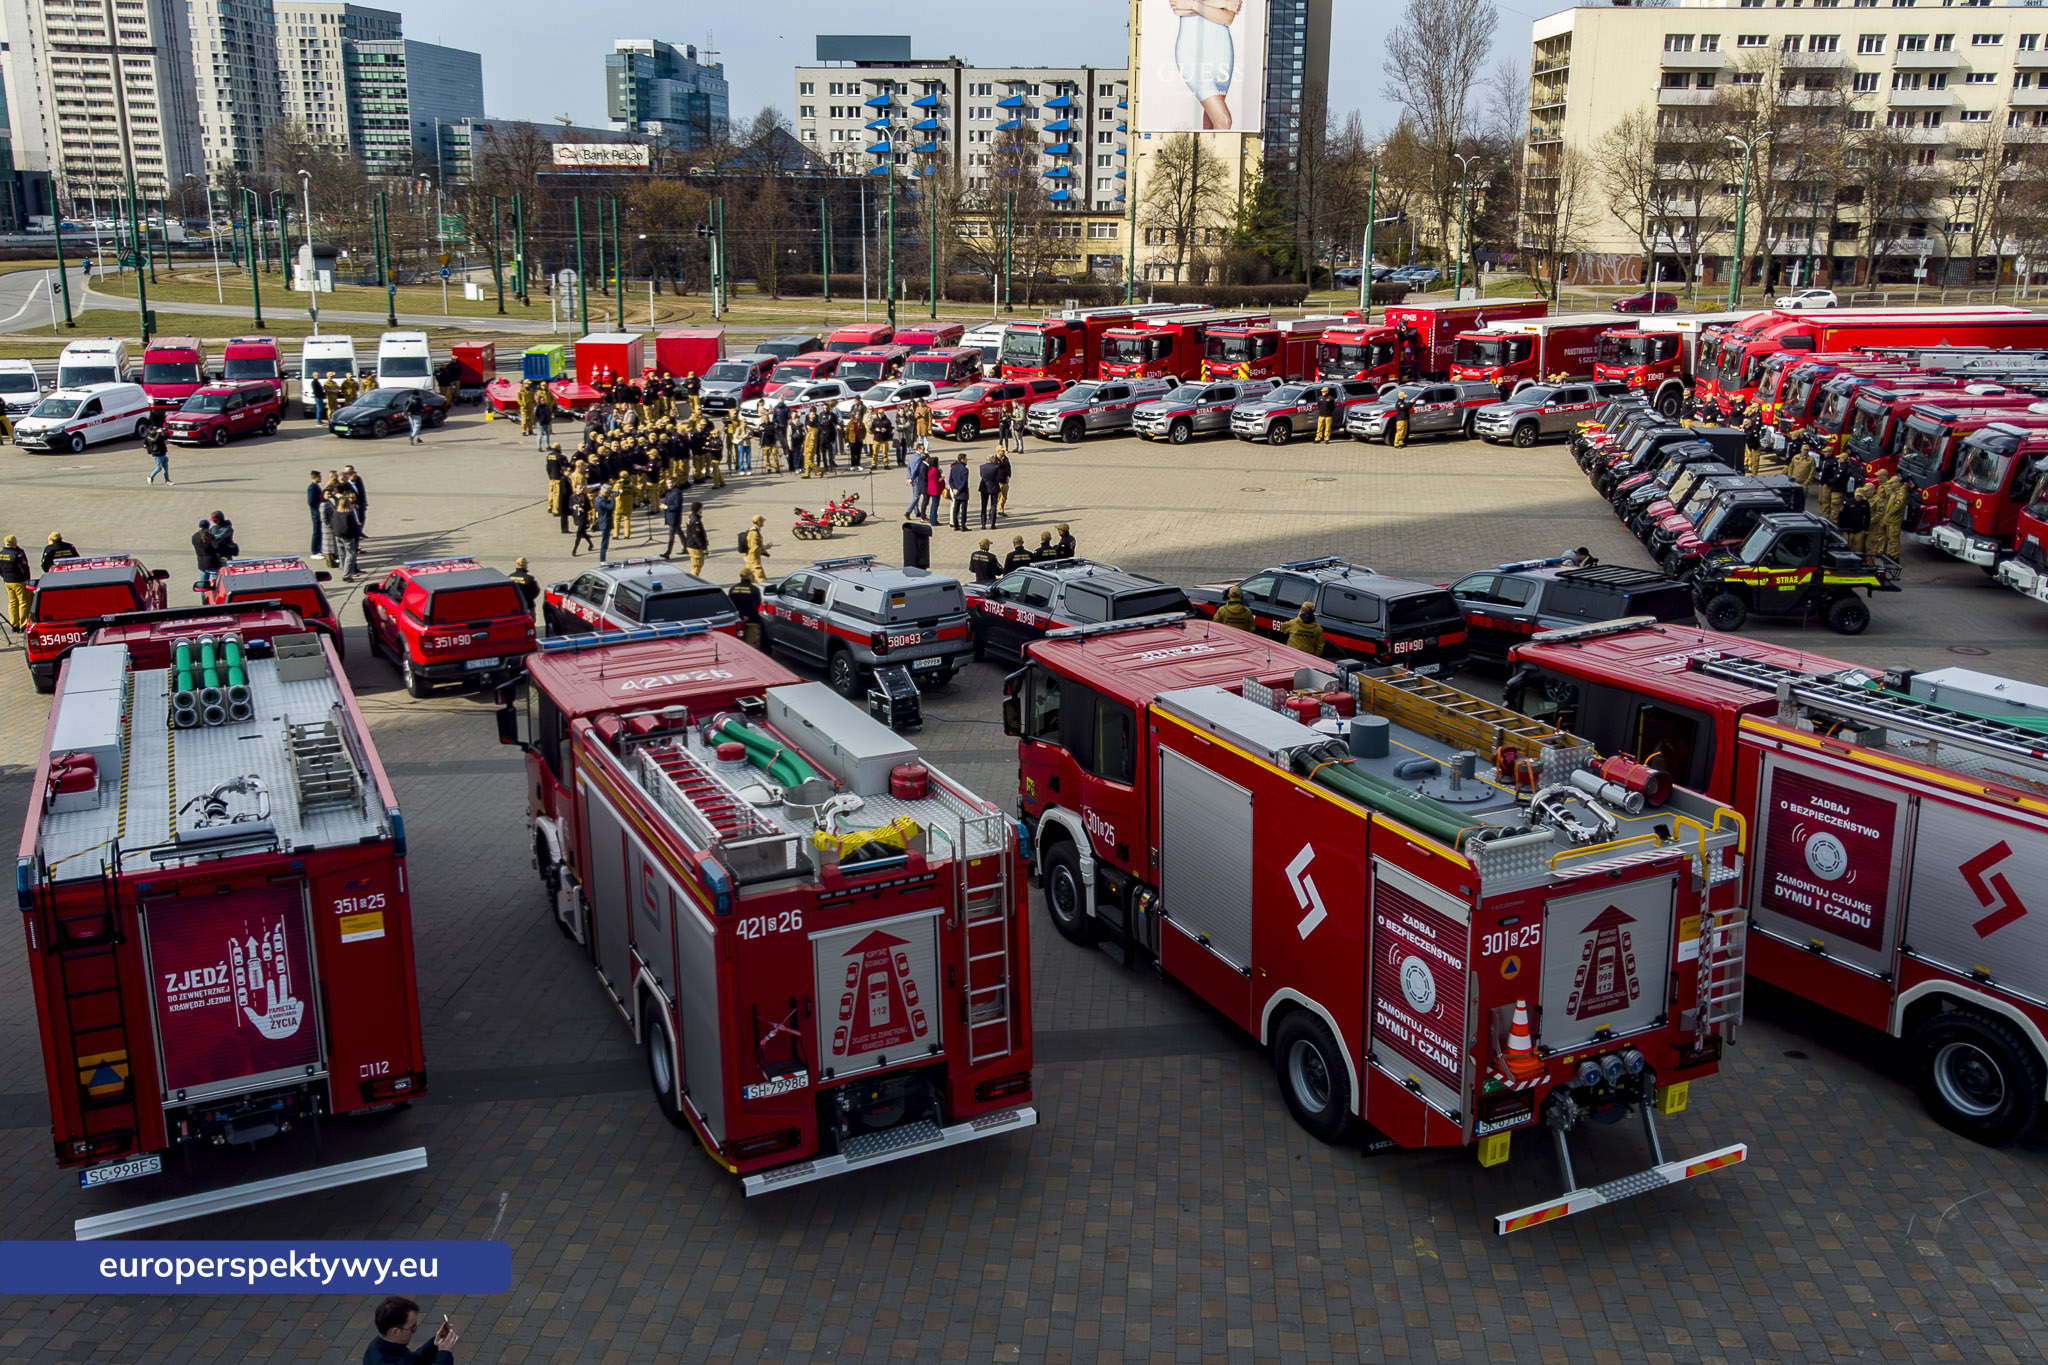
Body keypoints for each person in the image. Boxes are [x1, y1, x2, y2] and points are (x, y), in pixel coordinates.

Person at [363, 1295, 457, 1365]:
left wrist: (434, 1345)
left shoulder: (381, 1345)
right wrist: (445, 1353)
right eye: (412, 1328)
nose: (413, 1332)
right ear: (395, 1331)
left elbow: (412, 1360)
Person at [0, 534, 30, 630]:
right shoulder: (18, 553)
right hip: (19, 581)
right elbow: (24, 568)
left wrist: (4, 576)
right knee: (23, 602)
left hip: (7, 581)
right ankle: (23, 624)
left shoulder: (1, 553)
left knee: (12, 602)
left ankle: (14, 624)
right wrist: (27, 580)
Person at [729, 569, 764, 647]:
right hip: (752, 620)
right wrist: (747, 615)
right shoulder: (754, 589)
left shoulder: (733, 588)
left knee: (737, 644)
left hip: (737, 620)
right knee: (751, 644)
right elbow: (757, 605)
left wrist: (741, 615)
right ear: (749, 576)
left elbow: (731, 605)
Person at [334, 495, 363, 581]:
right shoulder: (349, 514)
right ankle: (347, 575)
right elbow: (353, 526)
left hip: (338, 535)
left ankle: (343, 570)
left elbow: (333, 523)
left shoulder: (336, 512)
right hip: (348, 536)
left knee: (342, 554)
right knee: (350, 555)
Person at [660, 479, 686, 558]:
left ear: (674, 482)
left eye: (669, 483)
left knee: (671, 535)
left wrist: (666, 507)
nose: (668, 485)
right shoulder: (669, 491)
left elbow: (677, 506)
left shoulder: (677, 492)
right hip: (670, 516)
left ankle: (668, 552)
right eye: (667, 483)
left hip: (674, 517)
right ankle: (687, 546)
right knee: (680, 532)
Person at [977, 454, 1002, 530]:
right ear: (991, 460)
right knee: (993, 505)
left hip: (984, 487)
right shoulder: (996, 467)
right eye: (994, 458)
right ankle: (992, 524)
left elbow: (982, 476)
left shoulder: (982, 467)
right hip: (993, 487)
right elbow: (998, 477)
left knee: (983, 506)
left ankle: (983, 524)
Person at [683, 501, 709, 576]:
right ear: (699, 509)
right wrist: (704, 547)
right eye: (702, 508)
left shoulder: (691, 517)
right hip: (695, 546)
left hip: (691, 544)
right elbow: (697, 536)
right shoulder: (695, 521)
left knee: (697, 565)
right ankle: (693, 582)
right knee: (697, 566)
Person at [570, 485, 596, 557]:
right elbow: (569, 506)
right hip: (576, 517)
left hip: (583, 518)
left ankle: (574, 550)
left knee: (578, 533)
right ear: (575, 489)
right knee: (583, 533)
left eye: (582, 488)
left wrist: (583, 508)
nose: (581, 489)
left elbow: (589, 507)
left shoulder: (584, 497)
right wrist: (574, 507)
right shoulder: (572, 497)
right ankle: (591, 544)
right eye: (580, 488)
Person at [743, 514, 771, 582]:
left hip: (751, 558)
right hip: (753, 559)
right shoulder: (754, 533)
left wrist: (764, 547)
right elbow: (755, 549)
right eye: (762, 521)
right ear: (759, 522)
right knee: (761, 578)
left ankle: (748, 590)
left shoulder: (756, 530)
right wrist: (765, 548)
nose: (763, 523)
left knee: (749, 578)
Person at [947, 453, 971, 531]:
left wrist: (953, 488)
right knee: (963, 510)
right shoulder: (965, 469)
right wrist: (959, 490)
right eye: (966, 459)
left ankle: (956, 525)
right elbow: (964, 481)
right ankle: (963, 526)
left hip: (955, 491)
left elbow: (950, 480)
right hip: (962, 492)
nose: (967, 460)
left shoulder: (953, 468)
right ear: (962, 460)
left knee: (955, 509)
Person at [143, 419, 171, 483]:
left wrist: (165, 432)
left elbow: (166, 437)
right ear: (150, 431)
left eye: (156, 429)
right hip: (156, 454)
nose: (155, 431)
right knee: (159, 468)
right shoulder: (148, 437)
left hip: (163, 453)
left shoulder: (158, 434)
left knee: (165, 468)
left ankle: (167, 480)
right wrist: (158, 433)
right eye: (154, 430)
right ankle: (150, 476)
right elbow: (154, 440)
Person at [906, 446, 930, 519]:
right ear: (918, 449)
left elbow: (909, 467)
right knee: (916, 497)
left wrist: (909, 477)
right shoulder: (920, 458)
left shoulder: (912, 456)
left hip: (912, 479)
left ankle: (916, 512)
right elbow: (917, 469)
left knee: (915, 496)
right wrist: (912, 478)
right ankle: (908, 512)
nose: (923, 450)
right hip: (917, 479)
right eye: (922, 449)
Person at [306, 470, 326, 557]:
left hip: (318, 512)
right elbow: (310, 501)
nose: (321, 478)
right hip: (316, 513)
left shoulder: (316, 486)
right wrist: (318, 507)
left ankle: (319, 549)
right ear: (315, 477)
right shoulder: (312, 488)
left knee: (319, 531)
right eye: (319, 476)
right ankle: (315, 551)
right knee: (316, 531)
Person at [343, 466, 368, 533]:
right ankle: (356, 533)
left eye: (349, 471)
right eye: (346, 472)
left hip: (360, 503)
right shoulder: (345, 483)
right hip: (353, 505)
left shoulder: (358, 479)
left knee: (362, 517)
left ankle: (360, 532)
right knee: (355, 519)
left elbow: (362, 491)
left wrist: (364, 502)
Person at [923, 453, 945, 527]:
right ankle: (933, 521)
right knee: (935, 505)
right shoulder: (934, 470)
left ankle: (933, 520)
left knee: (934, 505)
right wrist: (942, 478)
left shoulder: (930, 469)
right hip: (935, 489)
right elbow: (936, 480)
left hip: (931, 488)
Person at [534, 387, 555, 452]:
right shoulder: (537, 407)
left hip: (547, 422)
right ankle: (539, 447)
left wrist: (550, 419)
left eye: (544, 400)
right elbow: (535, 415)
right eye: (542, 400)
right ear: (539, 400)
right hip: (540, 423)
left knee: (547, 434)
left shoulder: (546, 406)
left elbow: (549, 412)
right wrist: (539, 420)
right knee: (540, 435)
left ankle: (547, 446)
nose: (543, 401)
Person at [994, 450, 1014, 519]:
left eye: (1003, 451)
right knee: (997, 497)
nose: (1003, 452)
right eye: (1002, 451)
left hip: (1005, 481)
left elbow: (1009, 467)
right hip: (998, 482)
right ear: (997, 451)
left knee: (1004, 497)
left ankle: (1000, 510)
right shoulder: (995, 460)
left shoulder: (1005, 459)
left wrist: (1009, 475)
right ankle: (993, 510)